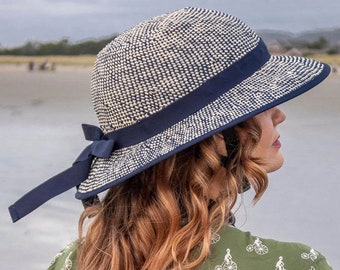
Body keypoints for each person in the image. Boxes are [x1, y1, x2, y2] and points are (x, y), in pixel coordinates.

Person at [9, 7, 333, 270]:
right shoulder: (294, 264)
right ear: (218, 136)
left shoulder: (71, 262)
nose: (279, 114)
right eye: (261, 103)